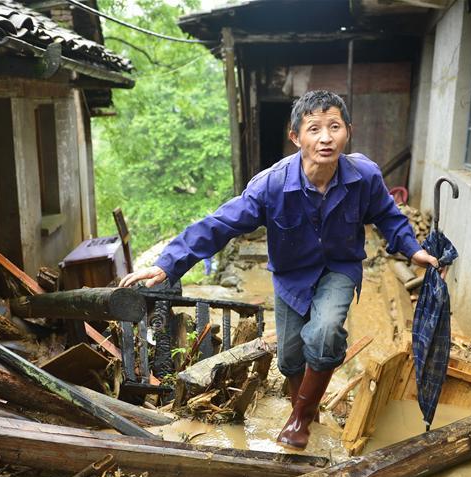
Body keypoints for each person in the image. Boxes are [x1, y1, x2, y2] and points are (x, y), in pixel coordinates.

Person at [119, 90, 438, 450]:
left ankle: (299, 418)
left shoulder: (363, 176)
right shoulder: (272, 184)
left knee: (325, 333)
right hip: (291, 277)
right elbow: (221, 224)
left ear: (348, 131)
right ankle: (305, 408)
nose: (325, 137)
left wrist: (413, 250)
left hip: (339, 268)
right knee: (289, 357)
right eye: (314, 128)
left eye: (334, 127)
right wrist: (167, 264)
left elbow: (387, 215)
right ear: (295, 137)